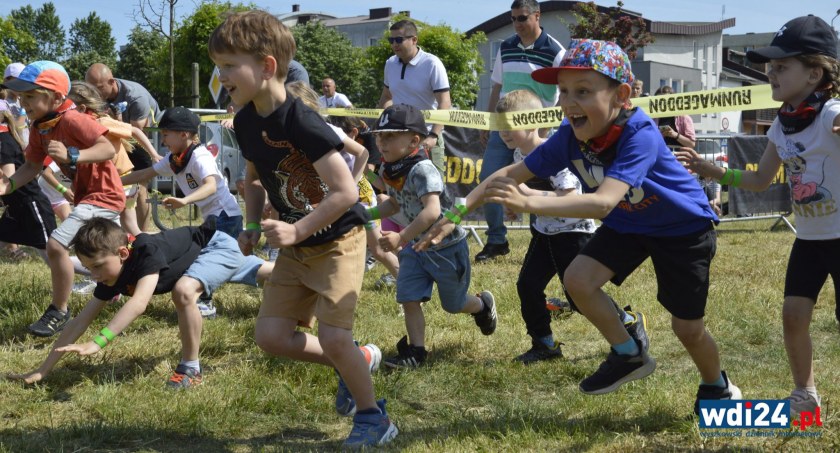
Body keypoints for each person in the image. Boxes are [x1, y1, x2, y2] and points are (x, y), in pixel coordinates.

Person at [421, 40, 741, 414]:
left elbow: (603, 201)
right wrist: (453, 216)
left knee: (686, 330)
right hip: (631, 223)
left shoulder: (640, 133)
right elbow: (508, 173)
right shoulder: (568, 136)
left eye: (583, 91)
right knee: (577, 280)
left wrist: (529, 202)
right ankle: (629, 352)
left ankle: (717, 388)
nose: (569, 102)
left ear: (621, 95)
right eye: (563, 92)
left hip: (682, 229)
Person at [209, 10, 397, 448]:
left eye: (229, 66)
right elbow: (254, 179)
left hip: (337, 241)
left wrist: (295, 232)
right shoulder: (245, 121)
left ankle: (373, 418)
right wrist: (253, 223)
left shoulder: (302, 121)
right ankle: (357, 362)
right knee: (271, 337)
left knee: (334, 337)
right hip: (296, 244)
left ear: (267, 65)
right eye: (219, 67)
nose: (222, 77)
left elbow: (346, 191)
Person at [678, 15, 839, 417]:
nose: (771, 74)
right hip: (808, 239)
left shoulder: (830, 114)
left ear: (815, 73)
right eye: (770, 67)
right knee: (792, 315)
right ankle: (804, 394)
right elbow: (760, 179)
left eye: (782, 67)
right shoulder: (782, 125)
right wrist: (712, 170)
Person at [6, 217, 273, 387]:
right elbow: (80, 321)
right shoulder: (113, 275)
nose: (95, 275)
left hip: (215, 248)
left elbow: (138, 304)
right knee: (278, 272)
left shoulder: (145, 252)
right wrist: (42, 370)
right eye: (89, 268)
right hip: (196, 260)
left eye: (98, 267)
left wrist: (99, 341)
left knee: (183, 292)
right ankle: (306, 275)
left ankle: (190, 369)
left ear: (123, 253)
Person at [0, 61, 126, 338]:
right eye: (21, 97)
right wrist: (7, 185)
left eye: (31, 96)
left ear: (57, 97)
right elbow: (32, 167)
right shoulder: (40, 127)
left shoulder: (72, 119)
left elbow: (107, 148)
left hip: (104, 195)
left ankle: (59, 310)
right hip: (87, 198)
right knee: (102, 255)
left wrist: (73, 156)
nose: (24, 102)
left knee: (56, 245)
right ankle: (130, 281)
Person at [367, 104, 497, 368]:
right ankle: (416, 352)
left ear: (414, 140)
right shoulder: (388, 169)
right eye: (380, 135)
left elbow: (431, 211)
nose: (382, 142)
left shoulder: (422, 169)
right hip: (416, 249)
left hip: (446, 248)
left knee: (454, 304)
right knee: (408, 297)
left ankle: (482, 306)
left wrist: (400, 237)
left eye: (390, 136)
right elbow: (393, 204)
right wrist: (365, 215)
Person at [495, 90, 599, 364]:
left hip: (574, 232)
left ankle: (628, 323)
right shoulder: (519, 152)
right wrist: (512, 205)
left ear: (531, 122)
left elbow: (571, 198)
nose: (503, 132)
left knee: (579, 298)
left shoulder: (553, 153)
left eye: (509, 126)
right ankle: (544, 344)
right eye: (500, 127)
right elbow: (520, 187)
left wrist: (528, 199)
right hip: (544, 233)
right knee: (527, 285)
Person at [122, 106, 245, 319]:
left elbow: (211, 186)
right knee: (227, 262)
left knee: (210, 260)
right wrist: (113, 181)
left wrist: (184, 200)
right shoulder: (175, 158)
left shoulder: (199, 156)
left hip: (225, 216)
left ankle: (205, 303)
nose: (162, 141)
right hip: (213, 216)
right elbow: (146, 172)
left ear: (184, 134)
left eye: (166, 135)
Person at [477, 0, 565, 263]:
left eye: (522, 18)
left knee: (538, 183)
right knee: (489, 179)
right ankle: (496, 241)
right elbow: (496, 87)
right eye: (513, 18)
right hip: (502, 129)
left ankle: (540, 240)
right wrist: (490, 122)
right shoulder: (505, 46)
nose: (517, 24)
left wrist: (545, 130)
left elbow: (563, 95)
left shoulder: (556, 51)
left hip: (537, 132)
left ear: (537, 16)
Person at [85, 63, 160, 232]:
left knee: (139, 188)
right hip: (115, 141)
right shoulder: (95, 98)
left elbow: (136, 133)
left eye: (97, 88)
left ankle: (143, 234)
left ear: (111, 82)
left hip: (137, 142)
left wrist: (153, 154)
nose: (94, 94)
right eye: (90, 89)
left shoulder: (135, 96)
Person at [377, 19, 450, 178]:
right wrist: (381, 126)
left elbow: (445, 102)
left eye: (399, 40)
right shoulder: (390, 63)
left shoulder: (432, 63)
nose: (394, 44)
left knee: (434, 190)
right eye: (391, 40)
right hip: (398, 138)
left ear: (414, 40)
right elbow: (387, 97)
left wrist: (433, 136)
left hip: (426, 137)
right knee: (397, 189)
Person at [0, 99, 56, 263]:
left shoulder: (3, 141)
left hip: (32, 206)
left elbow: (8, 179)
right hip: (16, 207)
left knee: (53, 256)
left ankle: (94, 276)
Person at [653, 86, 696, 150]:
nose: (663, 103)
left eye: (666, 99)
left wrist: (674, 134)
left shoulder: (684, 118)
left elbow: (691, 144)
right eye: (659, 100)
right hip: (659, 155)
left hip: (679, 156)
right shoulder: (653, 118)